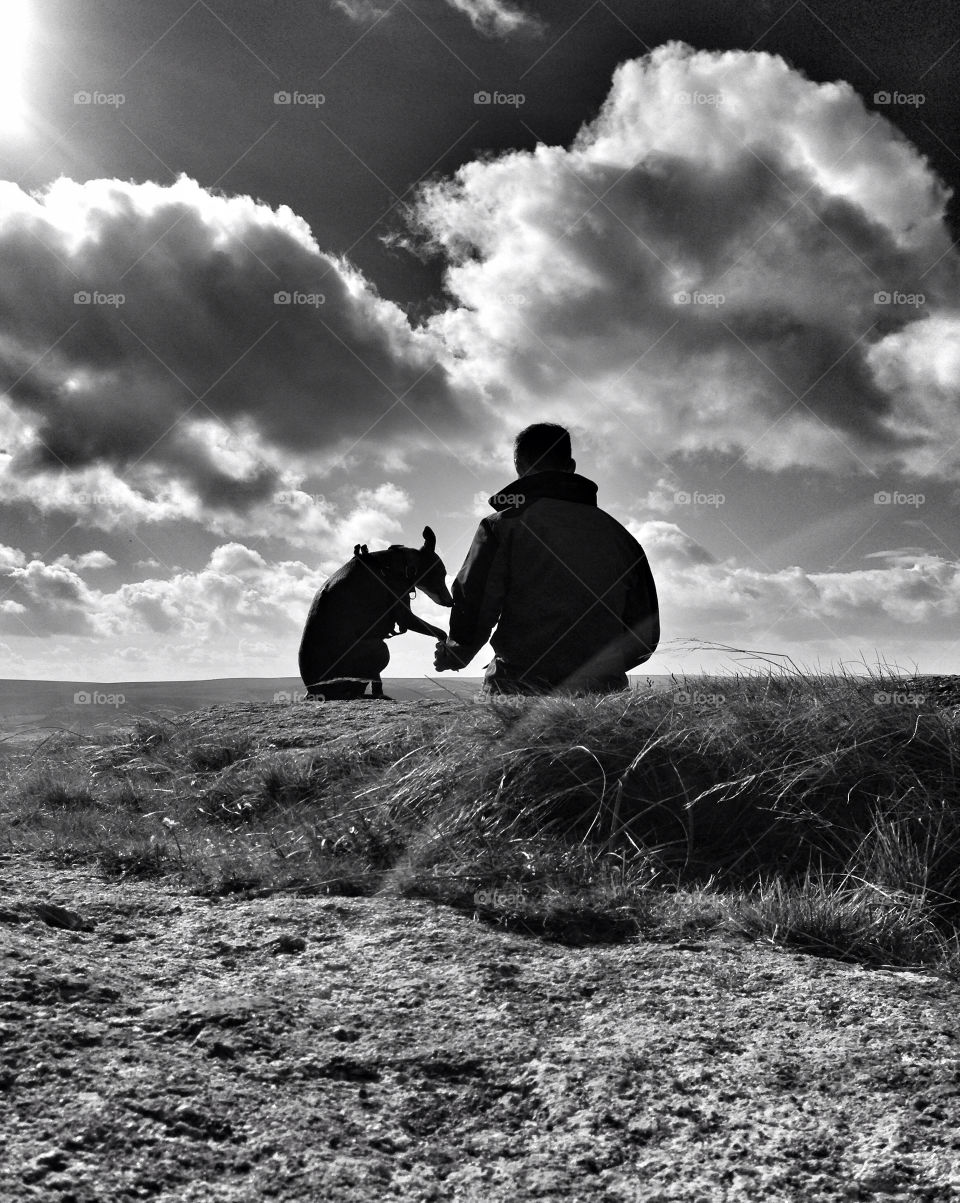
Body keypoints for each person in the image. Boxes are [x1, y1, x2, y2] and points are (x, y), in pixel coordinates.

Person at [433, 423, 659, 695]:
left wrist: (455, 652)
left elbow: (476, 603)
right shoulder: (621, 537)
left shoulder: (502, 526)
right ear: (571, 466)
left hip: (517, 691)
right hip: (602, 698)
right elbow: (643, 631)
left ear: (519, 465)